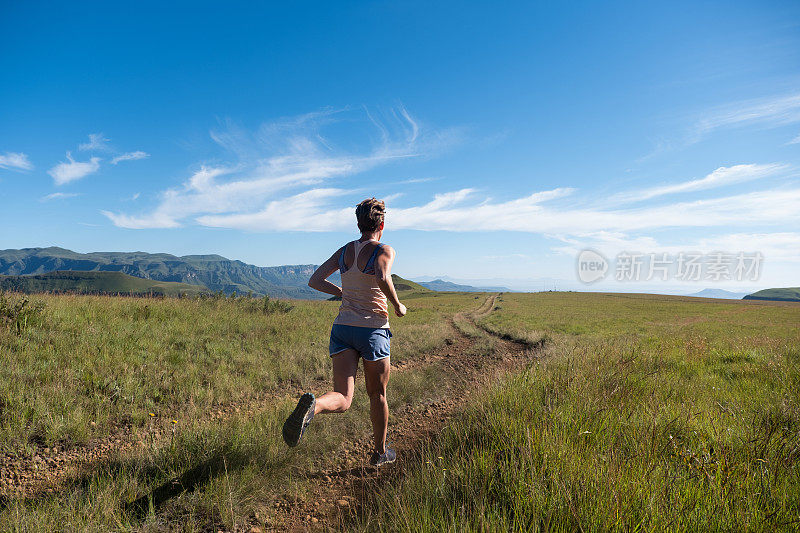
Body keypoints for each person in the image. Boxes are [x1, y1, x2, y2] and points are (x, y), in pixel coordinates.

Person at [282, 197, 407, 466]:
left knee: (343, 397)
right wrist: (398, 305)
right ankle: (380, 453)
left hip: (342, 328)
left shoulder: (344, 250)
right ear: (381, 224)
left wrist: (341, 292)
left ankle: (313, 407)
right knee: (378, 395)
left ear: (358, 223)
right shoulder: (384, 249)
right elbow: (383, 277)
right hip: (373, 330)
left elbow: (315, 280)